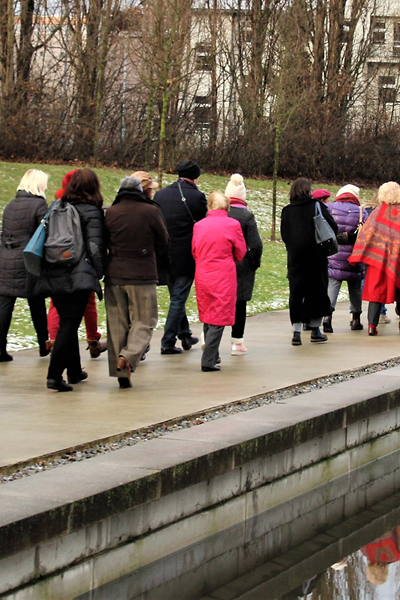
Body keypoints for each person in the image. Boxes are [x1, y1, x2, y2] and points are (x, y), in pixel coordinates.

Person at [38, 168, 105, 391]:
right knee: (69, 324)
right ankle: (54, 375)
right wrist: (99, 271)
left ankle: (74, 371)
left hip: (53, 270)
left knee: (69, 321)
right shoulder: (92, 211)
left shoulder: (56, 207)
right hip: (79, 272)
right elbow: (95, 247)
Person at [104, 175, 169, 388]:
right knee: (145, 319)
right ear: (142, 191)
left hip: (114, 274)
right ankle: (129, 356)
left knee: (117, 324)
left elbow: (102, 241)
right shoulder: (150, 211)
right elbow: (163, 240)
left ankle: (121, 372)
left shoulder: (110, 212)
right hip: (142, 275)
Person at [154, 160, 207, 354]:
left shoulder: (160, 195)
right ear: (195, 177)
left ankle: (184, 335)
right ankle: (167, 341)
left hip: (165, 254)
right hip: (186, 255)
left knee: (176, 295)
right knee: (178, 297)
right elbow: (202, 226)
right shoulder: (198, 197)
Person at [192, 191, 247, 371]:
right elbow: (240, 251)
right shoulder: (233, 224)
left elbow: (194, 250)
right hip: (223, 274)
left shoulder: (199, 225)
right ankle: (208, 359)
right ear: (227, 207)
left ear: (209, 206)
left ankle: (212, 355)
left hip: (203, 272)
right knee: (219, 316)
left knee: (208, 313)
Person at [281, 178, 338, 346]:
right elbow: (332, 227)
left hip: (295, 258)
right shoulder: (316, 206)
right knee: (317, 291)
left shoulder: (287, 211)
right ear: (308, 190)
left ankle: (296, 332)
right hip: (316, 256)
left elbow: (285, 235)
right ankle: (315, 329)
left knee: (296, 293)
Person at [0, 169, 50, 361]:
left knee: (5, 305)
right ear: (38, 184)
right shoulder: (39, 205)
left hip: (5, 258)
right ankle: (43, 345)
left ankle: (0, 349)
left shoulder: (11, 205)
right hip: (28, 261)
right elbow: (44, 234)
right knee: (37, 304)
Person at [349, 181, 400, 336]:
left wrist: (361, 254)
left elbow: (366, 235)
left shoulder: (377, 212)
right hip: (398, 260)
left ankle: (372, 326)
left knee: (376, 293)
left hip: (377, 261)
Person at [224, 173, 263, 355]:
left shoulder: (220, 213)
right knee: (239, 304)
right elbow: (255, 244)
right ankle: (237, 342)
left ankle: (208, 335)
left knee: (219, 301)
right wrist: (254, 263)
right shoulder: (246, 217)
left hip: (220, 264)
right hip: (242, 265)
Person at [322, 184, 368, 333]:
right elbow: (367, 233)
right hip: (354, 256)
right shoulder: (361, 211)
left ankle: (327, 318)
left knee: (333, 285)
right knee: (354, 288)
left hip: (334, 254)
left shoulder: (329, 208)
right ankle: (356, 319)